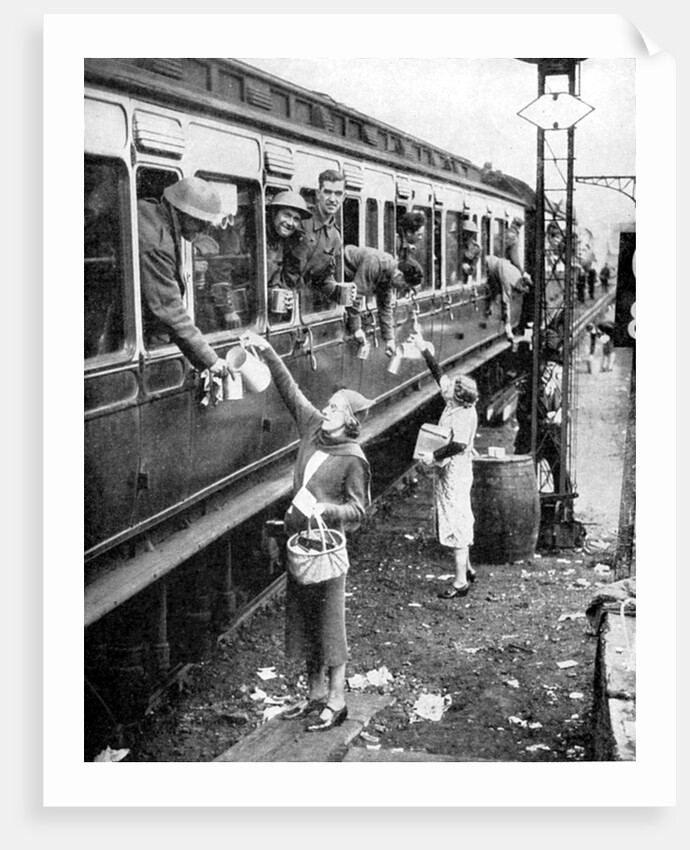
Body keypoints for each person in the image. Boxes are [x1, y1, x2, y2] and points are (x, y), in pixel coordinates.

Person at [240, 330, 371, 732]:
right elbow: (289, 388)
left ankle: (337, 699)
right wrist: (266, 350)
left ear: (350, 421)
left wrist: (327, 510)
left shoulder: (353, 459)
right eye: (328, 406)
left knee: (330, 625)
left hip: (327, 553)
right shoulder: (313, 427)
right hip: (300, 546)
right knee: (303, 621)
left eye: (335, 409)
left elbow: (359, 511)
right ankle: (314, 695)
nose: (326, 411)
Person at [138, 176, 228, 378]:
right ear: (181, 213)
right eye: (200, 222)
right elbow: (168, 308)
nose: (204, 230)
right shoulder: (157, 243)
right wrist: (211, 360)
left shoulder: (148, 211)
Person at [414, 341, 479, 599]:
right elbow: (438, 374)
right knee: (459, 518)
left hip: (456, 475)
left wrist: (433, 455)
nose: (447, 387)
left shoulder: (462, 415)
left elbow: (459, 445)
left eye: (451, 388)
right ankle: (468, 568)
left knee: (456, 522)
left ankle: (461, 582)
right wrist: (424, 348)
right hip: (451, 472)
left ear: (458, 397)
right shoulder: (456, 403)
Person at [287, 170, 346, 311]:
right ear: (318, 194)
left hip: (304, 305)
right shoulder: (300, 220)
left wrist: (337, 290)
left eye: (338, 194)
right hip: (280, 297)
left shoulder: (335, 237)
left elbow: (323, 277)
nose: (333, 199)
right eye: (328, 192)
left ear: (343, 197)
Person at [342, 246, 417, 356]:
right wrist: (356, 328)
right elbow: (355, 294)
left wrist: (389, 339)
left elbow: (385, 307)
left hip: (351, 276)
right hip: (340, 266)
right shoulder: (375, 263)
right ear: (400, 275)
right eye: (403, 286)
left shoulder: (389, 273)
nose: (401, 289)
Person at [265, 190, 313, 318]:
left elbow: (281, 280)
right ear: (274, 213)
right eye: (286, 215)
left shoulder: (286, 242)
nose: (291, 223)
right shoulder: (256, 235)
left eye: (296, 219)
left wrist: (286, 294)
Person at [484, 254, 530, 341]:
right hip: (486, 266)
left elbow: (498, 287)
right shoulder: (509, 282)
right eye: (522, 291)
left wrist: (491, 304)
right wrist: (508, 327)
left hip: (492, 263)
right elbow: (505, 302)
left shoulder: (516, 274)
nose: (520, 293)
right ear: (522, 285)